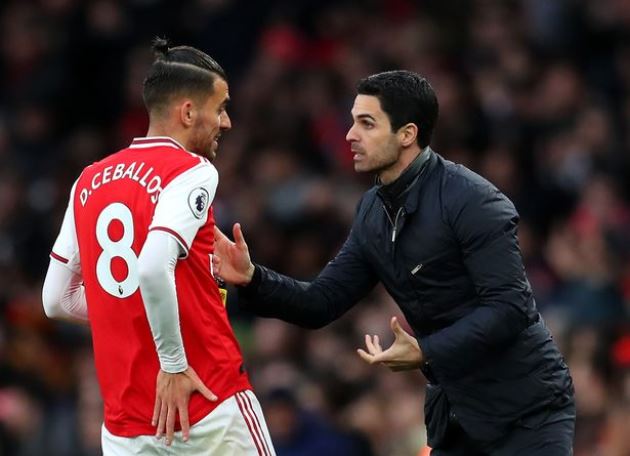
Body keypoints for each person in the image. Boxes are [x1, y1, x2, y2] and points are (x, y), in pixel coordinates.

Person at [213, 70, 575, 455]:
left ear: (407, 134)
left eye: (367, 123)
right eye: (353, 121)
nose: (350, 135)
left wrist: (426, 350)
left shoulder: (474, 201)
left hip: (526, 412)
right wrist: (252, 277)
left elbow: (509, 308)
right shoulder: (373, 211)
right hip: (458, 415)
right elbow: (322, 301)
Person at [42, 39, 275, 456]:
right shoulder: (192, 170)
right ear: (188, 112)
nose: (227, 122)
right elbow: (152, 267)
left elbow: (56, 300)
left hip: (127, 426)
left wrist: (133, 312)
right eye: (221, 108)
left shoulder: (87, 180)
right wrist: (172, 364)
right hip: (208, 402)